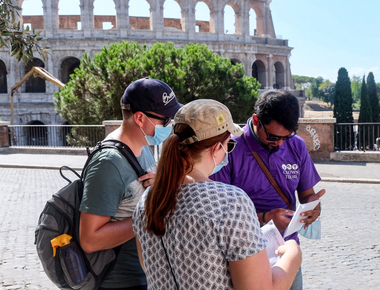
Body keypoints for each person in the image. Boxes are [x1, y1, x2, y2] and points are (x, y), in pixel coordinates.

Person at [133, 99, 302, 290]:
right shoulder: (230, 203)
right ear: (216, 148)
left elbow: (148, 266)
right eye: (228, 145)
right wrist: (292, 256)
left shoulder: (147, 200)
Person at [211, 90, 325, 290]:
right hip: (242, 254)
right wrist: (265, 217)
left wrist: (312, 208)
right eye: (273, 136)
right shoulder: (229, 149)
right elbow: (217, 214)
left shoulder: (296, 145)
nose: (280, 143)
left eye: (286, 137)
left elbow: (307, 194)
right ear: (256, 120)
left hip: (286, 252)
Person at [79, 77, 182, 290]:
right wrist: (150, 216)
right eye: (166, 120)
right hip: (118, 281)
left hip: (143, 274)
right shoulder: (108, 163)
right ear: (140, 118)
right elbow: (89, 239)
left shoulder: (143, 147)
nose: (170, 125)